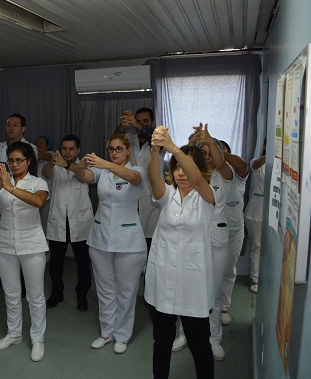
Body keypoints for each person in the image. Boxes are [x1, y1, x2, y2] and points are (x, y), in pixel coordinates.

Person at [145, 126, 215, 379]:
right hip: (163, 281)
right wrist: (156, 149)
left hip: (193, 285)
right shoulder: (167, 197)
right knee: (161, 344)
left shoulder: (207, 198)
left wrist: (173, 147)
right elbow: (153, 179)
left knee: (200, 346)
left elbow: (197, 180)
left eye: (186, 167)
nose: (181, 173)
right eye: (176, 167)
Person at [0, 141, 49, 362]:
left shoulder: (38, 182)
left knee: (35, 295)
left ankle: (38, 339)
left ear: (28, 161)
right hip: (5, 243)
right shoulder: (2, 181)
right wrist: (0, 186)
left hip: (32, 244)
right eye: (11, 160)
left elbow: (38, 201)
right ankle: (14, 333)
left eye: (19, 160)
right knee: (11, 293)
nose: (15, 164)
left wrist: (11, 188)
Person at [75, 133, 146, 354]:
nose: (114, 152)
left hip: (129, 243)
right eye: (111, 149)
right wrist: (71, 165)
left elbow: (134, 178)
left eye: (118, 149)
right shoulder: (102, 172)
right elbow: (84, 176)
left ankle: (122, 335)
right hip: (100, 239)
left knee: (126, 291)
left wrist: (105, 163)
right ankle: (107, 332)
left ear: (127, 151)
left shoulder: (137, 170)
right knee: (105, 290)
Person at [173, 124, 232, 362]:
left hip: (216, 244)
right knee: (186, 290)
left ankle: (213, 338)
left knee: (214, 294)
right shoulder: (186, 179)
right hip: (191, 243)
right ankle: (183, 333)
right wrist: (196, 145)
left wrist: (209, 140)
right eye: (203, 153)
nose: (207, 157)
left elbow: (219, 163)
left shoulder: (223, 176)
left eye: (210, 152)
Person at [0, 113, 37, 292]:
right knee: (1, 240)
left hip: (20, 197)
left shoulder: (30, 147)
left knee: (20, 243)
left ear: (23, 128)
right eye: (8, 124)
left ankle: (24, 283)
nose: (10, 128)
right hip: (1, 196)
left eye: (15, 125)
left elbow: (31, 171)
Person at [42, 134, 93, 311]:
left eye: (71, 149)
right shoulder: (55, 165)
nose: (68, 152)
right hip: (59, 221)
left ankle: (82, 294)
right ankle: (57, 293)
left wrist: (68, 165)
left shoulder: (85, 165)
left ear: (78, 150)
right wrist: (52, 162)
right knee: (56, 262)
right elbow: (45, 173)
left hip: (80, 222)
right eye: (65, 148)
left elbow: (81, 175)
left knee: (83, 262)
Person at [116, 108, 164, 253]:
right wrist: (122, 127)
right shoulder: (130, 139)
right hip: (133, 195)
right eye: (138, 121)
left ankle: (150, 267)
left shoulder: (158, 140)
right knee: (133, 236)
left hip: (153, 197)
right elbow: (115, 140)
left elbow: (150, 135)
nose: (142, 124)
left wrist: (137, 125)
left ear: (152, 122)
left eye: (145, 121)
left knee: (153, 237)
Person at [218, 140, 249, 325]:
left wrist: (222, 154)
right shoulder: (210, 174)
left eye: (224, 151)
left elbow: (244, 165)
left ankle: (223, 306)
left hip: (234, 231)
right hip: (211, 230)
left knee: (228, 269)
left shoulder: (238, 174)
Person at [244, 147, 266, 294]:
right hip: (256, 212)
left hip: (274, 211)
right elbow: (255, 164)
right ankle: (255, 279)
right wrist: (271, 152)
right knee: (257, 246)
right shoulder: (257, 162)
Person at [35, 135, 54, 235]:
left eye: (42, 142)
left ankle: (49, 248)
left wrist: (37, 155)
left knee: (46, 222)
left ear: (47, 146)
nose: (39, 144)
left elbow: (46, 156)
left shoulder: (50, 154)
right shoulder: (34, 155)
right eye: (37, 142)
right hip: (33, 194)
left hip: (47, 195)